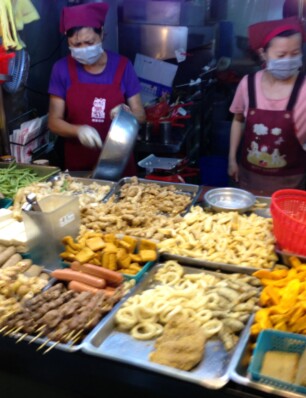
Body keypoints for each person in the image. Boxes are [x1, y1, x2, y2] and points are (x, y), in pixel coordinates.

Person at [48, 2, 146, 173]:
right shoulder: (61, 69)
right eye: (76, 45)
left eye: (89, 42)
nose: (84, 49)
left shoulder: (123, 66)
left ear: (101, 33)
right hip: (78, 168)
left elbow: (141, 116)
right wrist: (78, 130)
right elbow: (53, 122)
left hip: (119, 166)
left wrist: (125, 115)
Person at [228, 17, 306, 195]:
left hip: (292, 184)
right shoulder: (248, 84)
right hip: (250, 180)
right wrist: (232, 159)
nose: (289, 60)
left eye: (295, 53)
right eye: (281, 55)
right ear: (263, 53)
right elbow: (238, 120)